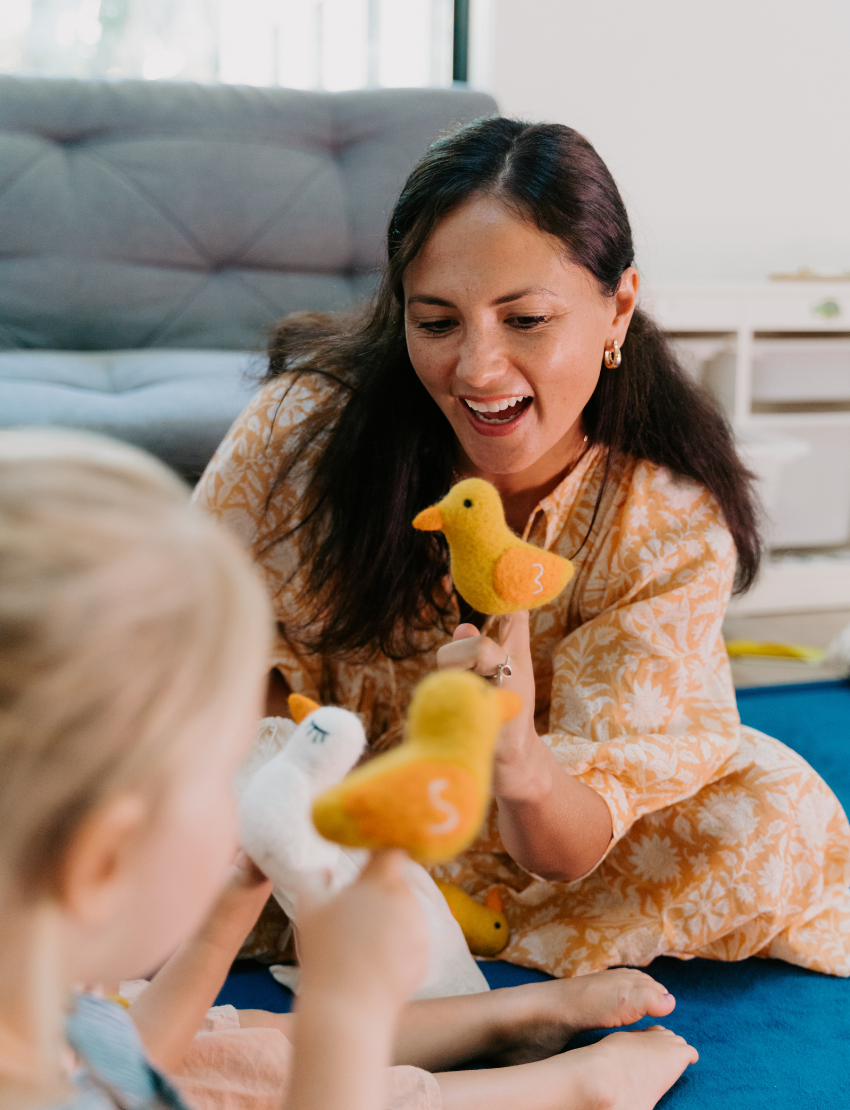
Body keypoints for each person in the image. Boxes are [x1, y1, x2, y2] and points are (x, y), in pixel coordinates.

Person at [194, 117, 850, 978]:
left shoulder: (666, 518)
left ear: (617, 309)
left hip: (532, 839)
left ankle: (412, 926)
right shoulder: (301, 432)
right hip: (308, 804)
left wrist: (521, 762)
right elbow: (197, 660)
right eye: (437, 322)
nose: (478, 369)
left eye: (526, 319)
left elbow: (565, 847)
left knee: (775, 810)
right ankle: (406, 926)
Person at [0, 428, 698, 1110]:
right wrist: (347, 1007)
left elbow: (135, 1052)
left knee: (211, 1047)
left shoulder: (36, 1000)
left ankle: (507, 1019)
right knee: (251, 1073)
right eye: (216, 775)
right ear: (97, 863)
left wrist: (232, 905)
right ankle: (569, 1090)